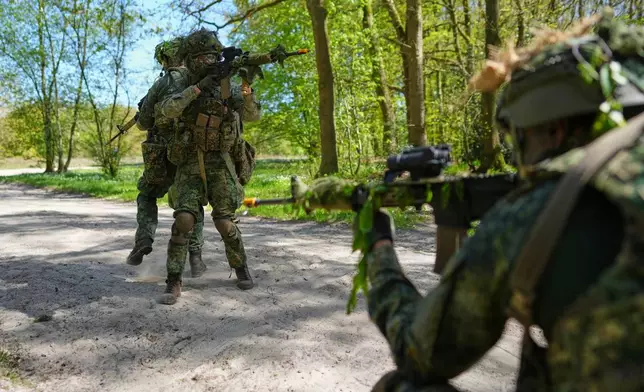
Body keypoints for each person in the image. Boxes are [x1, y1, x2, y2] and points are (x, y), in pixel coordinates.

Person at [306, 11, 644, 391]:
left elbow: (420, 351)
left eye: (520, 139)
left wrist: (379, 244)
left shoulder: (539, 210)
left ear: (554, 126)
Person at [156, 28, 262, 305]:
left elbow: (252, 116)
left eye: (211, 57)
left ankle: (241, 268)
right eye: (201, 57)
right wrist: (200, 86)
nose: (207, 62)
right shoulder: (182, 83)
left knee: (226, 222)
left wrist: (247, 90)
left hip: (220, 160)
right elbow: (167, 109)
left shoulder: (227, 85)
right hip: (190, 160)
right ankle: (174, 280)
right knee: (184, 220)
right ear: (191, 59)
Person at [126, 37, 207, 278]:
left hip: (161, 153)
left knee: (148, 194)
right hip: (192, 152)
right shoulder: (201, 80)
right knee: (191, 203)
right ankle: (195, 257)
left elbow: (143, 123)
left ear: (166, 59)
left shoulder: (164, 82)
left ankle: (143, 240)